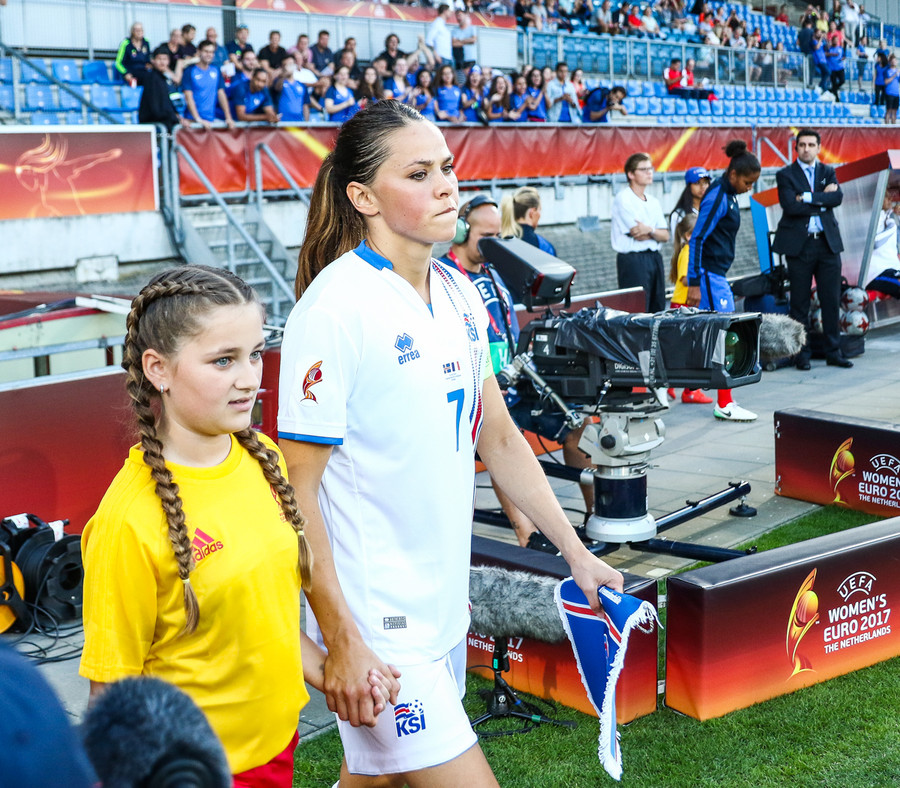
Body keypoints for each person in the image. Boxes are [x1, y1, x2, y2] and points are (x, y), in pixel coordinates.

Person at [278, 99, 623, 787]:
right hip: (376, 620)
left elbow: (500, 436)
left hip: (442, 603)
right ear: (363, 197)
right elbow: (297, 494)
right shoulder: (333, 310)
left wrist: (577, 553)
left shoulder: (460, 291)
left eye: (446, 168)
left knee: (377, 778)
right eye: (418, 174)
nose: (445, 187)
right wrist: (341, 637)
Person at [79, 265, 394, 786]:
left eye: (255, 353)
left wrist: (340, 672)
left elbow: (264, 619)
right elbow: (111, 697)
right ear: (158, 369)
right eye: (223, 360)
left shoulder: (263, 457)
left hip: (275, 748)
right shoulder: (128, 522)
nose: (249, 378)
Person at [685, 140, 761, 421]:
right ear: (733, 174)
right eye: (747, 182)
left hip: (716, 274)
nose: (749, 188)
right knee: (724, 334)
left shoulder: (729, 194)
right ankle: (725, 403)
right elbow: (697, 238)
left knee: (710, 333)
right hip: (709, 276)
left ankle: (691, 389)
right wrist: (694, 281)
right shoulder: (717, 196)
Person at [772, 129, 851, 370]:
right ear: (796, 148)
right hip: (800, 247)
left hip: (827, 245)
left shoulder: (827, 172)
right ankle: (801, 355)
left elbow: (836, 198)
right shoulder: (786, 174)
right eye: (802, 145)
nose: (806, 149)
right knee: (800, 303)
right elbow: (790, 206)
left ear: (818, 147)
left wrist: (805, 197)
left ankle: (834, 352)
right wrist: (820, 200)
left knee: (831, 300)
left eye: (810, 144)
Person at [610, 152, 669, 313]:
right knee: (637, 310)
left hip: (654, 257)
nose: (649, 173)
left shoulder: (654, 201)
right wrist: (655, 233)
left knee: (658, 308)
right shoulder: (624, 198)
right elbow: (637, 234)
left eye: (650, 169)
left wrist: (649, 229)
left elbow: (665, 235)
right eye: (643, 169)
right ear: (631, 174)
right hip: (633, 259)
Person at [182, 40, 234, 130]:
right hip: (192, 122)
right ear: (199, 52)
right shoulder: (190, 71)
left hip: (210, 121)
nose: (209, 54)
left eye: (211, 52)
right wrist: (198, 119)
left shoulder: (216, 70)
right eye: (206, 51)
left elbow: (221, 94)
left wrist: (228, 117)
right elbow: (188, 96)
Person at [137, 50, 190, 131]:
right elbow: (156, 108)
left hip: (165, 121)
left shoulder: (163, 78)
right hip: (156, 125)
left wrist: (177, 117)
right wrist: (175, 118)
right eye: (159, 59)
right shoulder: (151, 78)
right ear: (153, 60)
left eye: (165, 59)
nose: (162, 62)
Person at [500, 185, 556, 255]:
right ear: (532, 212)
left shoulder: (499, 241)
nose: (540, 215)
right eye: (540, 210)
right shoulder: (545, 247)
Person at [885, 54, 899, 124]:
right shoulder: (887, 71)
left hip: (896, 94)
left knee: (894, 112)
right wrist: (895, 75)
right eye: (892, 61)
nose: (894, 62)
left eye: (895, 61)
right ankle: (886, 128)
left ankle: (893, 127)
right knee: (888, 111)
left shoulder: (898, 71)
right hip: (889, 93)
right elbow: (886, 82)